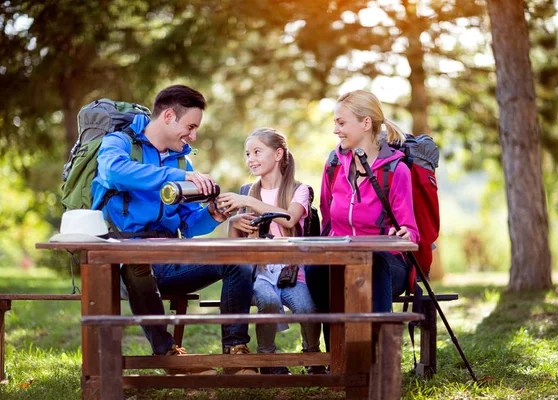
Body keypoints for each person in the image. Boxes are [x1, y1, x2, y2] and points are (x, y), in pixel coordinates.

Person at [91, 84, 256, 375]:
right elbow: (114, 172)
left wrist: (214, 215)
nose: (193, 136)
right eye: (190, 127)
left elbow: (189, 224)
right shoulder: (119, 143)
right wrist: (178, 175)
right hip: (121, 262)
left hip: (169, 257)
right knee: (136, 261)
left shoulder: (181, 159)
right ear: (168, 116)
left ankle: (236, 355)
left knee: (236, 261)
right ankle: (169, 355)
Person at [305, 90, 420, 350]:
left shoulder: (395, 170)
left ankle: (378, 355)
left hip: (387, 266)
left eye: (341, 123)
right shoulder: (333, 164)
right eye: (335, 123)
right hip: (341, 257)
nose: (336, 130)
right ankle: (339, 351)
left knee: (374, 262)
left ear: (366, 123)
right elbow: (327, 216)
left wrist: (405, 234)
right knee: (315, 270)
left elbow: (410, 229)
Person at [217, 127, 325, 375]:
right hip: (259, 273)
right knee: (267, 300)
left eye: (257, 152)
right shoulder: (246, 191)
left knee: (308, 308)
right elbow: (234, 248)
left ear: (278, 154)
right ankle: (269, 359)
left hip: (291, 272)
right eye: (247, 154)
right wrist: (233, 224)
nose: (250, 159)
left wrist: (248, 203)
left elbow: (289, 219)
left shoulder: (300, 190)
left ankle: (312, 355)